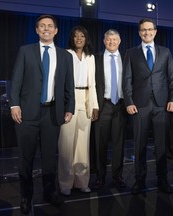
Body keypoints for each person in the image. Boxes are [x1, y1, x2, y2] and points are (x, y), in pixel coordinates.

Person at [9, 14, 75, 214]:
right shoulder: (25, 51)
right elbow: (16, 80)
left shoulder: (65, 55)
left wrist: (69, 108)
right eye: (42, 26)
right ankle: (26, 196)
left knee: (49, 157)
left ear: (56, 30)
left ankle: (49, 192)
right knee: (26, 158)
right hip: (27, 113)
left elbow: (68, 86)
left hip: (52, 113)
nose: (46, 29)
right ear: (37, 30)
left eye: (50, 26)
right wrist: (14, 105)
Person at [123, 18, 173, 194]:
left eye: (149, 29)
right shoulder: (131, 53)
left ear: (155, 31)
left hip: (162, 105)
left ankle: (163, 180)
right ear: (139, 32)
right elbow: (127, 80)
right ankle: (140, 181)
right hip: (140, 106)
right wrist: (129, 102)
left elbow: (172, 78)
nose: (147, 32)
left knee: (162, 145)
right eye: (143, 30)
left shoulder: (166, 52)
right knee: (140, 146)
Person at [58, 26, 99, 196]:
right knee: (66, 145)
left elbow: (93, 83)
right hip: (69, 99)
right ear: (72, 39)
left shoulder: (90, 57)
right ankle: (65, 184)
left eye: (82, 36)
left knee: (83, 145)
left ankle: (82, 182)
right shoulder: (66, 54)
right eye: (76, 36)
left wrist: (94, 105)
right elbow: (59, 82)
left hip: (85, 100)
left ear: (86, 38)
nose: (79, 39)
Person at [93, 29, 127, 190]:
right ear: (104, 41)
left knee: (119, 145)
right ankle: (100, 177)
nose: (111, 42)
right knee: (100, 144)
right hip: (103, 105)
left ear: (119, 41)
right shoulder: (96, 58)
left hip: (120, 106)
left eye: (114, 39)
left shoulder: (127, 58)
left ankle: (117, 177)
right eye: (108, 40)